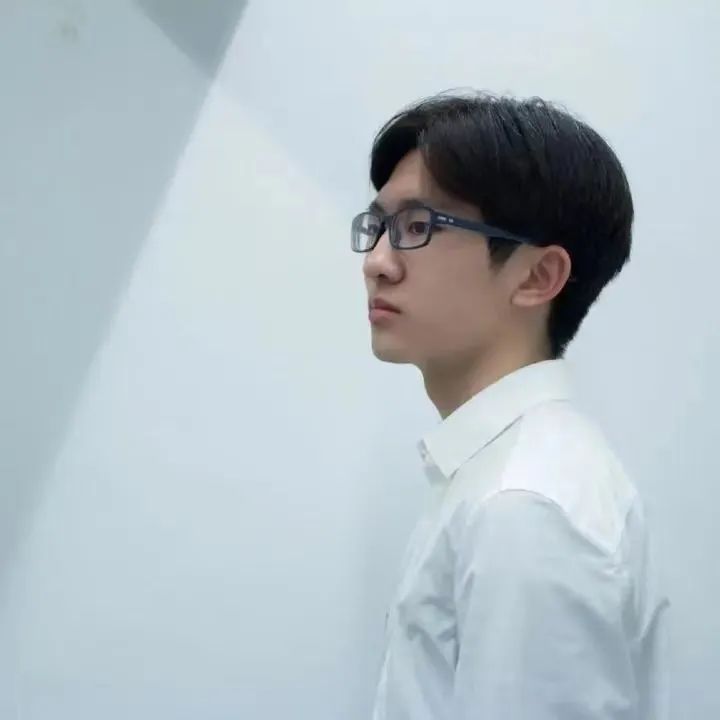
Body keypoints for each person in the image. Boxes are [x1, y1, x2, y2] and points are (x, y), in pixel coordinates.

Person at [352, 92, 668, 720]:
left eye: (417, 227)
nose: (377, 263)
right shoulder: (502, 476)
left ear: (537, 276)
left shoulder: (523, 505)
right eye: (378, 226)